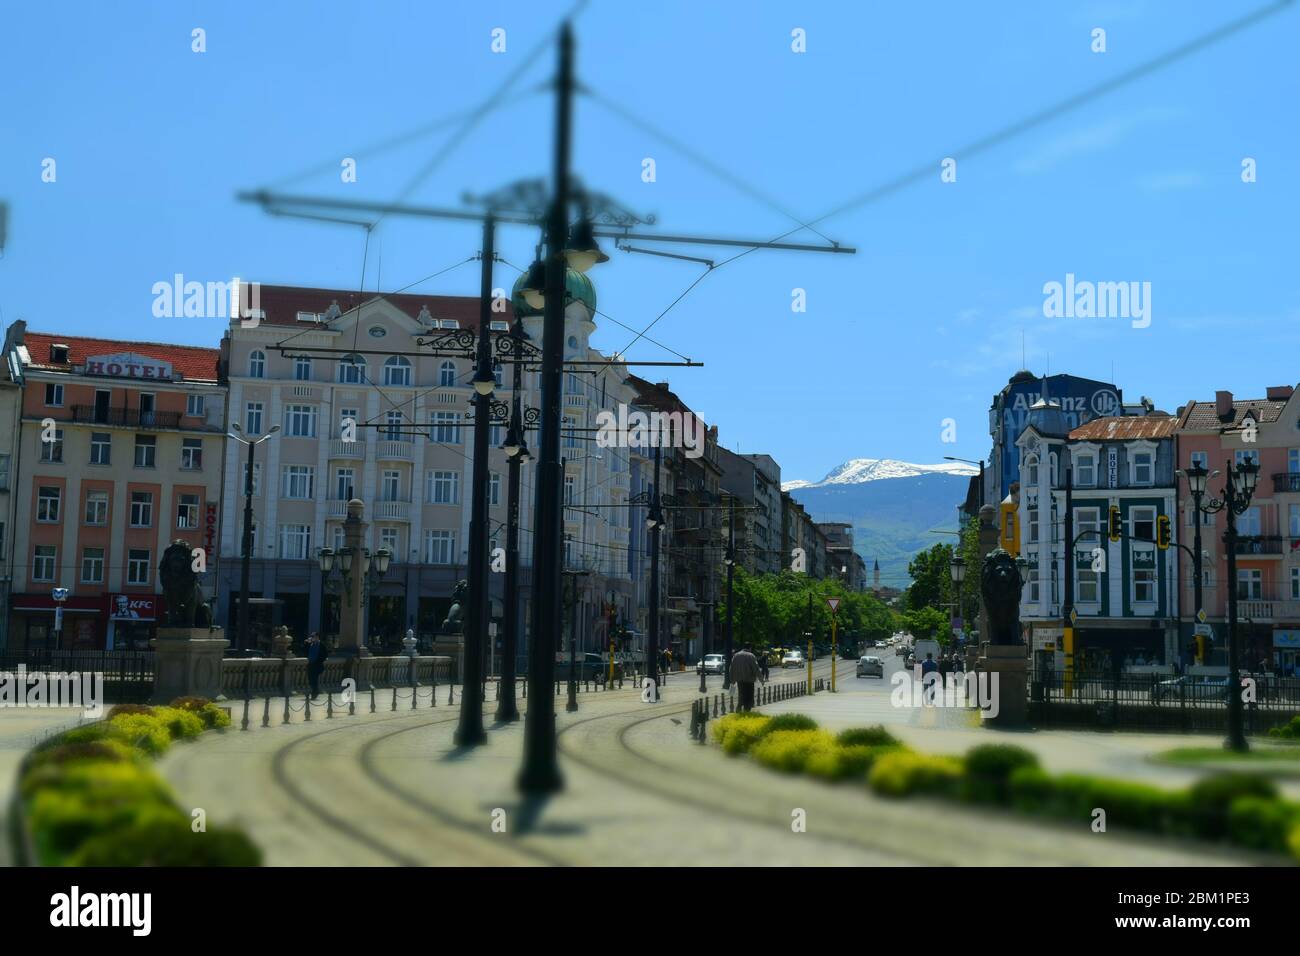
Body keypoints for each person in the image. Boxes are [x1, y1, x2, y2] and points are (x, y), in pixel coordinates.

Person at [730, 644, 761, 712]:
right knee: (749, 696)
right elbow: (756, 668)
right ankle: (747, 710)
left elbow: (732, 668)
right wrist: (761, 679)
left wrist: (732, 679)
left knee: (741, 694)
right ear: (749, 648)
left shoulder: (736, 655)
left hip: (740, 680)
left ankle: (739, 708)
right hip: (749, 680)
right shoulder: (751, 656)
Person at [305, 632, 327, 699]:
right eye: (311, 636)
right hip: (310, 664)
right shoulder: (310, 644)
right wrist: (306, 643)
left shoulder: (321, 645)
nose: (312, 638)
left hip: (317, 665)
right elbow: (305, 651)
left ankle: (315, 693)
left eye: (313, 636)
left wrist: (319, 661)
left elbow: (325, 654)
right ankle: (314, 691)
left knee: (314, 679)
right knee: (310, 679)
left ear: (317, 637)